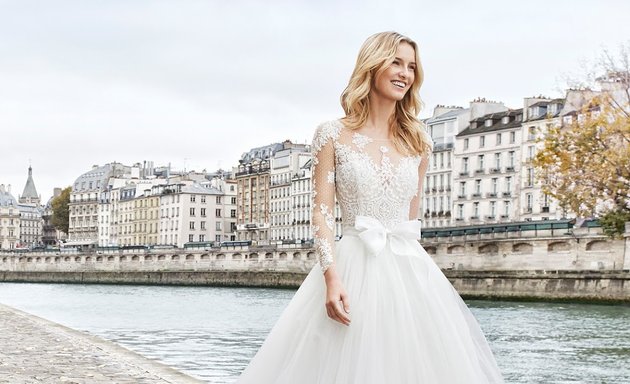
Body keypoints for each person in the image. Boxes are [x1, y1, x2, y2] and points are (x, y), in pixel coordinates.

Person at [236, 31, 505, 383]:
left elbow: (412, 216)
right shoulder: (332, 134)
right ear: (372, 65)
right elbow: (321, 212)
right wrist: (331, 278)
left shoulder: (419, 140)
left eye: (411, 67)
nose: (405, 73)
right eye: (396, 62)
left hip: (409, 271)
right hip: (352, 267)